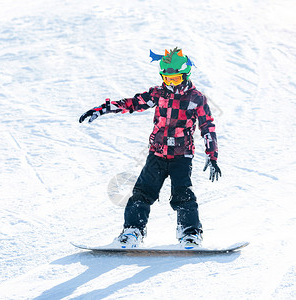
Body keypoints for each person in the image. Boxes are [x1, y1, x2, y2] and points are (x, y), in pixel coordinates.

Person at [79, 47, 221, 249]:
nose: (170, 83)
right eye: (166, 78)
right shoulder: (158, 93)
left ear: (186, 75)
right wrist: (103, 108)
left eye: (175, 79)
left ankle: (190, 234)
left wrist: (212, 155)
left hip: (182, 156)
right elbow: (132, 103)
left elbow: (207, 125)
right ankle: (132, 232)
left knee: (183, 195)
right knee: (142, 193)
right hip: (157, 155)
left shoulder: (196, 98)